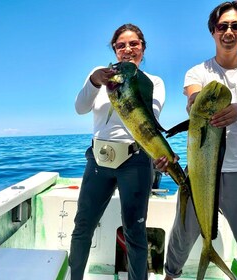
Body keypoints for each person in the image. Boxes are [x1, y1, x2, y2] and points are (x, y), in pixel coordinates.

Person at [154, 1, 237, 279]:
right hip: (199, 171)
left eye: (236, 26)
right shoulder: (197, 71)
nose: (229, 31)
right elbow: (193, 100)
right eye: (223, 26)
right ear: (213, 31)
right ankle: (170, 276)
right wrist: (198, 105)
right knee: (182, 236)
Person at [71, 23, 165, 280]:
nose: (127, 49)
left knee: (135, 232)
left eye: (134, 44)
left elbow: (149, 118)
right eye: (121, 45)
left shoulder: (153, 81)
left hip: (135, 159)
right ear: (114, 50)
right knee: (82, 226)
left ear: (143, 48)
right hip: (99, 160)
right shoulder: (100, 74)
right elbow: (80, 107)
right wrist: (94, 81)